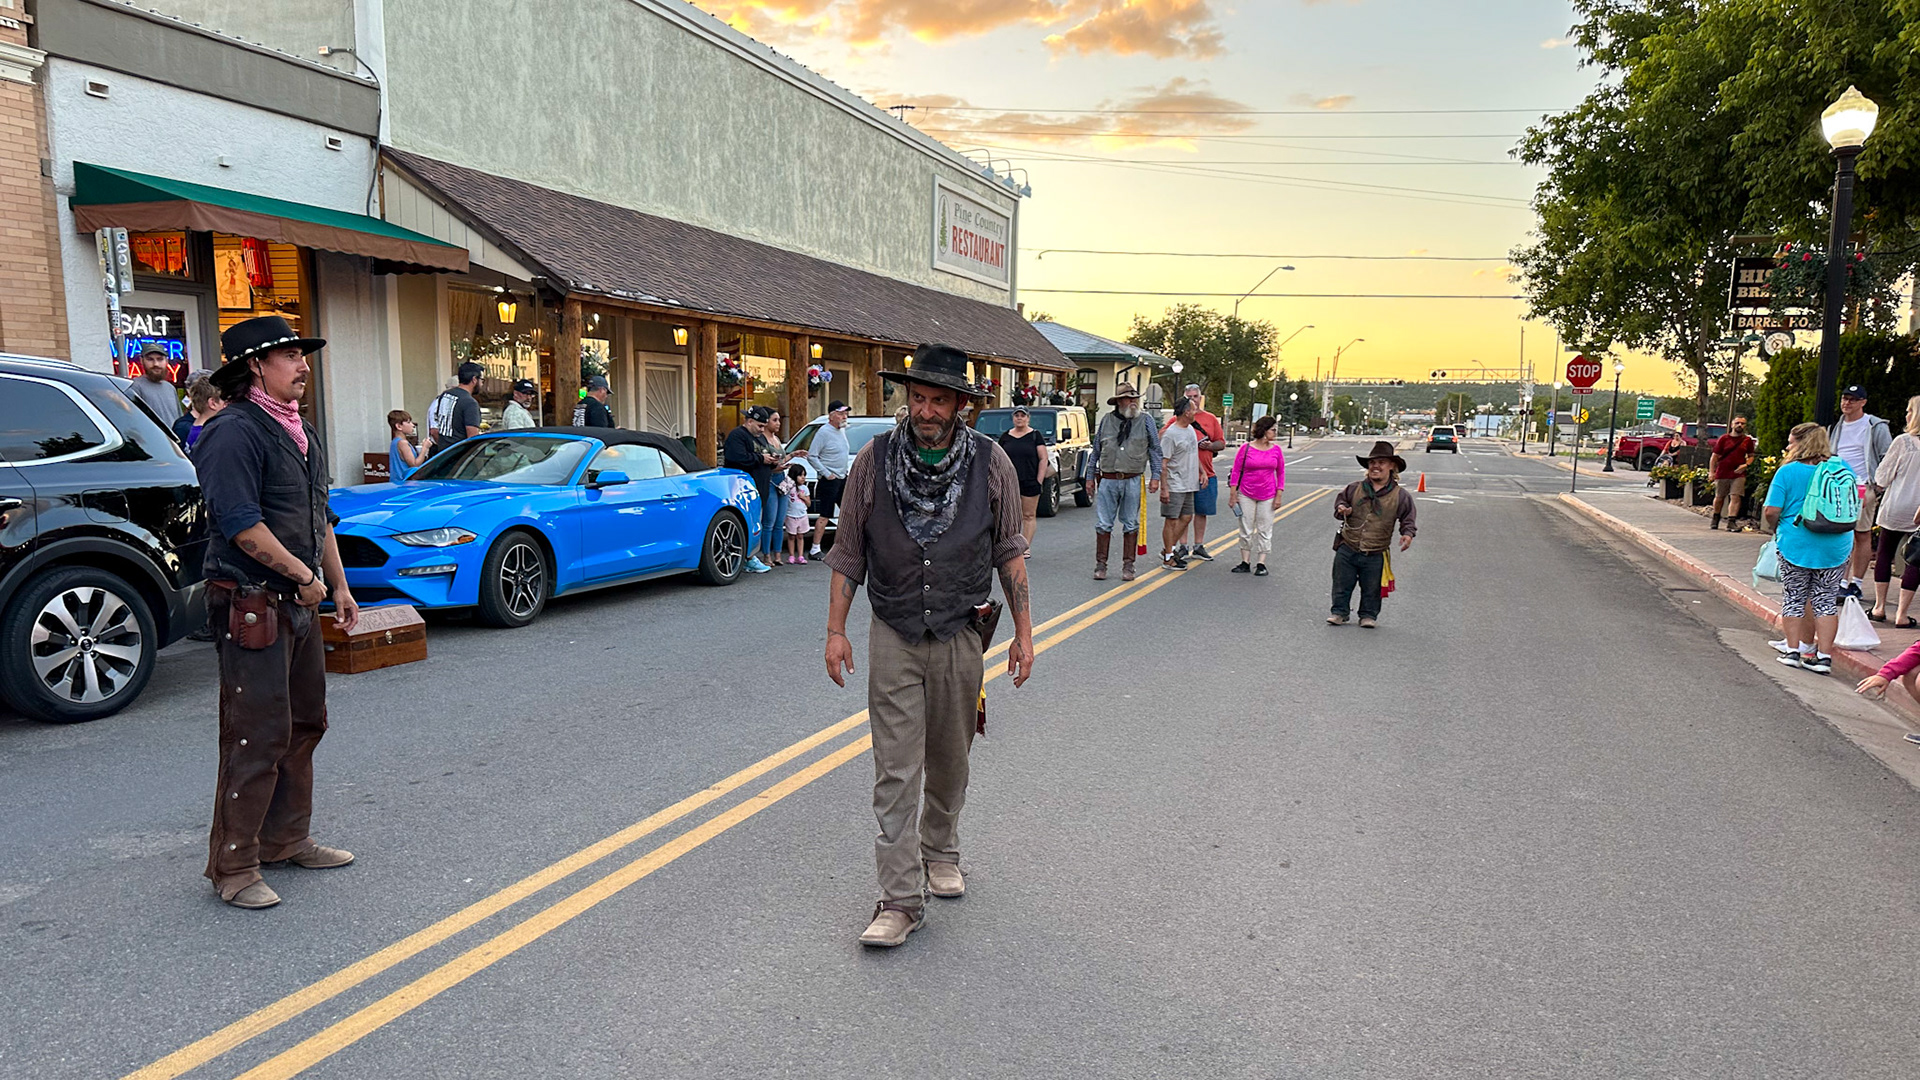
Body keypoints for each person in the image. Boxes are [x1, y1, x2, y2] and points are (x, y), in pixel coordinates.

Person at [824, 342, 1034, 949]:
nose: (926, 409)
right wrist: (836, 631)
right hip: (892, 628)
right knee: (895, 768)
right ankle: (899, 899)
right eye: (918, 397)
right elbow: (848, 550)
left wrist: (1024, 633)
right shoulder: (873, 459)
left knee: (951, 756)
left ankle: (941, 848)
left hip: (961, 630)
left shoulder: (991, 463)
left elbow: (1009, 551)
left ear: (961, 404)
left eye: (939, 399)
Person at [194, 315, 360, 910]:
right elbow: (241, 527)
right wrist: (302, 577)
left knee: (304, 724)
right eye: (289, 354)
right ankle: (233, 868)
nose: (303, 364)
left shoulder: (302, 432)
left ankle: (285, 840)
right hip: (251, 604)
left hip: (299, 603)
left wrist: (337, 586)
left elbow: (322, 520)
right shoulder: (232, 432)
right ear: (254, 367)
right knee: (254, 734)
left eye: (302, 353)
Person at [1764, 422, 1855, 675]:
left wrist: (1777, 528)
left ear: (1801, 443)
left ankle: (1793, 651)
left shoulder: (1788, 472)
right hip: (1837, 545)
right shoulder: (1842, 468)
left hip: (1797, 542)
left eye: (1791, 442)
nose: (1788, 446)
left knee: (1794, 597)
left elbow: (1772, 510)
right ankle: (1823, 657)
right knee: (1825, 601)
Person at [1329, 440, 1417, 629]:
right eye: (1372, 463)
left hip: (1376, 550)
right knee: (1341, 583)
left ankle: (1368, 615)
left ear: (1392, 466)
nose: (1375, 466)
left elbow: (1408, 519)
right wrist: (1342, 509)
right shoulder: (1354, 488)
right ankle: (1339, 612)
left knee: (1372, 588)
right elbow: (1339, 505)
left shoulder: (1401, 496)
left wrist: (1407, 535)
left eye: (1381, 462)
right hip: (1348, 544)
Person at [1085, 383, 1163, 581]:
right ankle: (1100, 565)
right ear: (1119, 402)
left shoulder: (1146, 421)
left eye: (1135, 398)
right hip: (1108, 479)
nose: (1133, 402)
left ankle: (1129, 566)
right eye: (1129, 398)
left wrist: (1156, 476)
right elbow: (1096, 451)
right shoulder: (1106, 420)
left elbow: (1155, 449)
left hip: (1133, 479)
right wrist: (1089, 478)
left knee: (1131, 523)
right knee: (1103, 524)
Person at [1829, 386, 1891, 595]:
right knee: (1842, 532)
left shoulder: (1874, 425)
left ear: (1863, 402)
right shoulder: (1836, 426)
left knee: (1861, 532)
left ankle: (1856, 582)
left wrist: (1879, 485)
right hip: (1838, 484)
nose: (1847, 403)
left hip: (1862, 483)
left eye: (1853, 400)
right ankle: (1840, 581)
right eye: (1845, 399)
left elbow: (1886, 456)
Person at [1870, 395, 1920, 627]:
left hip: (1896, 505)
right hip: (1918, 510)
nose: (1906, 415)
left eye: (1910, 411)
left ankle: (1879, 607)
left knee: (1884, 553)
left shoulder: (1903, 442)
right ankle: (1902, 613)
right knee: (1915, 561)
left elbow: (1882, 476)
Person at [722, 405, 779, 574]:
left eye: (764, 426)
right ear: (749, 421)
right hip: (741, 489)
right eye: (760, 426)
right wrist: (761, 458)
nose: (762, 430)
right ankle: (747, 557)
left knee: (757, 523)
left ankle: (749, 556)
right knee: (747, 524)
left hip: (760, 489)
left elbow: (764, 454)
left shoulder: (760, 438)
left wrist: (773, 460)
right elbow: (737, 457)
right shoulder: (737, 436)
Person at [1227, 415, 1286, 575]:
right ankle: (1245, 561)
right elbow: (1236, 471)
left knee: (1265, 528)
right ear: (1264, 430)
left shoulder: (1276, 450)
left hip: (1268, 494)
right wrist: (1233, 494)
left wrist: (1279, 494)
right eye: (1273, 430)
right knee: (1246, 527)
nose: (1275, 432)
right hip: (1246, 492)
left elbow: (1280, 473)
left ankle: (1261, 563)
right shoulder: (1246, 448)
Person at [1179, 384, 1227, 560]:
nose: (1193, 400)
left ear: (1201, 398)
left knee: (1202, 511)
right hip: (1184, 474)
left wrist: (1211, 446)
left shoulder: (1210, 419)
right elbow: (1165, 435)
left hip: (1206, 473)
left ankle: (1198, 545)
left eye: (1195, 396)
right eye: (1189, 396)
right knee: (1184, 513)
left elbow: (1221, 442)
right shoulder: (1179, 419)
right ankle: (1182, 546)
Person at [996, 405, 1049, 555]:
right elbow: (998, 459)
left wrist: (1038, 480)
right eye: (1016, 415)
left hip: (1030, 481)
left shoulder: (1035, 435)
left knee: (1028, 515)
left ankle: (1025, 546)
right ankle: (1011, 545)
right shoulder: (1006, 436)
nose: (1019, 418)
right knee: (1009, 516)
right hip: (1009, 482)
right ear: (1013, 418)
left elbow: (1043, 458)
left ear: (1028, 418)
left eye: (1022, 415)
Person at [1159, 398, 1201, 570]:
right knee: (1172, 520)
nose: (1196, 411)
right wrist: (1164, 488)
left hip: (1189, 483)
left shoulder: (1190, 429)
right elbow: (1163, 462)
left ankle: (1168, 549)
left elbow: (1193, 453)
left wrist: (1202, 472)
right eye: (1194, 408)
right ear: (1186, 412)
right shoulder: (1171, 434)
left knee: (1186, 518)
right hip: (1175, 483)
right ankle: (1168, 558)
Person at [808, 401, 853, 559]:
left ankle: (844, 545)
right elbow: (812, 456)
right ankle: (815, 548)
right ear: (831, 415)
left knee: (848, 512)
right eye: (840, 414)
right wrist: (826, 473)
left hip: (841, 477)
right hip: (829, 479)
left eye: (845, 414)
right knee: (825, 514)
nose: (844, 417)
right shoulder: (823, 432)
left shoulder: (841, 430)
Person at [1708, 415, 1757, 530]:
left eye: (1743, 423)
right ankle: (1716, 517)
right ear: (1732, 425)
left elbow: (1751, 456)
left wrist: (1746, 464)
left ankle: (1731, 521)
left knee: (1736, 496)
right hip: (1723, 471)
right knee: (1720, 496)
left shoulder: (1747, 440)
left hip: (1738, 473)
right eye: (1737, 423)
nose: (1740, 425)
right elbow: (1714, 457)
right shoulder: (1724, 439)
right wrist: (1711, 472)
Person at [429, 363, 484, 455]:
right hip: (460, 457)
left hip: (443, 454)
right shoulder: (470, 403)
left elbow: (436, 427)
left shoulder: (445, 395)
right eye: (482, 380)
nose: (482, 384)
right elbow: (472, 438)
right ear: (474, 380)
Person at [125, 342, 183, 421]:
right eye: (150, 359)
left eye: (160, 359)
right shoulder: (135, 386)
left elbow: (178, 419)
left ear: (166, 361)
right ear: (141, 361)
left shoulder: (170, 388)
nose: (156, 364)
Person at [180, 375, 225, 453]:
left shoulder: (195, 430)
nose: (226, 405)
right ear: (213, 403)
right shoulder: (209, 434)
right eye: (224, 400)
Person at [780, 463, 811, 564]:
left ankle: (801, 555)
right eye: (800, 475)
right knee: (791, 536)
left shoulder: (805, 489)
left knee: (800, 536)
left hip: (802, 515)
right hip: (791, 515)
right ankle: (791, 555)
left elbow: (809, 503)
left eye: (804, 475)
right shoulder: (790, 487)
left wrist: (804, 497)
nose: (803, 478)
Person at [387, 410, 427, 482]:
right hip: (404, 483)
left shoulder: (395, 442)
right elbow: (414, 465)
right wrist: (425, 448)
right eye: (409, 422)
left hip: (395, 482)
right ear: (399, 426)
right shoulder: (403, 443)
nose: (412, 425)